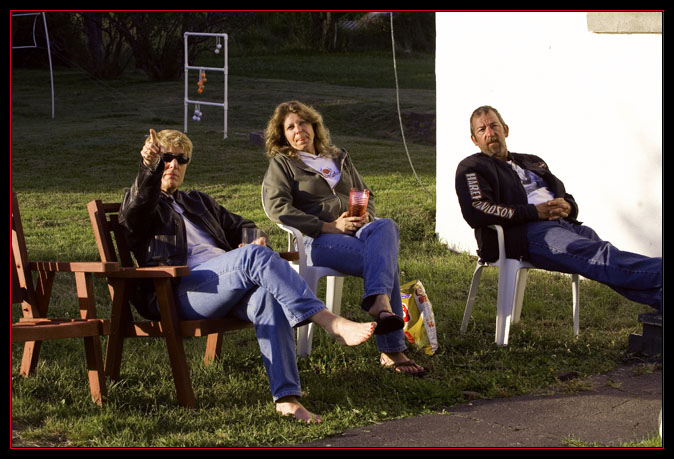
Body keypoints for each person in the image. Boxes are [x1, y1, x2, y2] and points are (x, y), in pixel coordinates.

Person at [119, 128, 377, 423]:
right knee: (254, 258)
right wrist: (148, 168)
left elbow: (245, 225)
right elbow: (138, 207)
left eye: (181, 159)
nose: (173, 165)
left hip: (223, 284)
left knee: (267, 294)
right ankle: (329, 322)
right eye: (166, 158)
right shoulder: (140, 203)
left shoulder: (198, 202)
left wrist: (254, 237)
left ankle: (287, 399)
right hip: (177, 291)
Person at [262, 100, 427, 377]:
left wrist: (365, 217)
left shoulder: (338, 155)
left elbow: (365, 193)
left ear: (314, 126)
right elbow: (277, 208)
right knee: (384, 261)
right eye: (290, 127)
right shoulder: (284, 164)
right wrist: (326, 226)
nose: (298, 130)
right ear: (283, 135)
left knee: (386, 225)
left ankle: (381, 307)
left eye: (303, 123)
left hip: (358, 231)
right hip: (318, 240)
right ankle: (391, 347)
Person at [455, 105, 662, 310]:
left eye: (494, 126)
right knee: (601, 257)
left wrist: (568, 207)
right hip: (524, 233)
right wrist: (535, 212)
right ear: (474, 139)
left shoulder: (532, 161)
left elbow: (563, 194)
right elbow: (478, 210)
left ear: (505, 130)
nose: (490, 133)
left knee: (604, 264)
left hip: (564, 225)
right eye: (482, 130)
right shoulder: (472, 167)